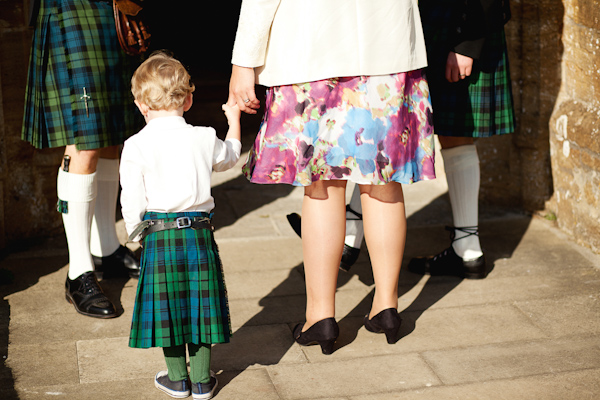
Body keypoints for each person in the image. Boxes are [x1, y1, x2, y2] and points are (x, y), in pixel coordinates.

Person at [229, 0, 435, 352]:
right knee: (383, 180)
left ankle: (320, 317)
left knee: (322, 184)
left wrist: (243, 60)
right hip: (388, 44)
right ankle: (386, 307)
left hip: (313, 48)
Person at [290, 0, 515, 280]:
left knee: (449, 134)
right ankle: (356, 230)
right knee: (395, 129)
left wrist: (468, 42)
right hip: (435, 24)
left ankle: (465, 248)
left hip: (462, 22)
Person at [120, 52, 241, 400]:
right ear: (188, 99)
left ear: (141, 104)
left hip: (158, 236)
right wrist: (233, 119)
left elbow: (131, 199)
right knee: (201, 305)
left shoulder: (135, 145)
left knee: (169, 308)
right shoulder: (204, 136)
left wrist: (136, 233)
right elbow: (230, 156)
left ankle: (178, 379)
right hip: (199, 235)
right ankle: (202, 381)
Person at [21, 0, 141, 319]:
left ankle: (106, 249)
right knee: (84, 142)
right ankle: (78, 272)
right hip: (71, 10)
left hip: (109, 10)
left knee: (112, 134)